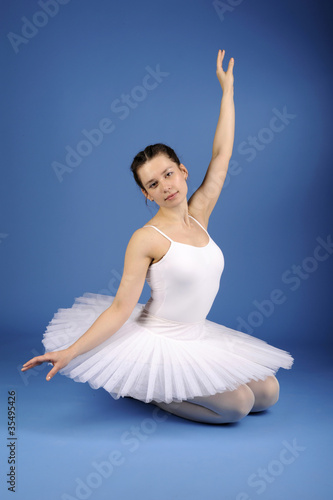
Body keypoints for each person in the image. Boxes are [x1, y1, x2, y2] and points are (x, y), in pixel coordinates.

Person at [22, 50, 293, 424]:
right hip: (161, 340)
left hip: (198, 336)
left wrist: (227, 92)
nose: (165, 186)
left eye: (168, 174)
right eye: (153, 183)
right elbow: (120, 307)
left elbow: (222, 155)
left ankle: (164, 387)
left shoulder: (199, 215)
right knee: (236, 407)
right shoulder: (145, 238)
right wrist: (71, 351)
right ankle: (149, 391)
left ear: (182, 171)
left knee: (268, 392)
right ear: (147, 194)